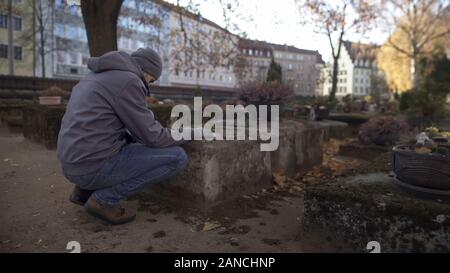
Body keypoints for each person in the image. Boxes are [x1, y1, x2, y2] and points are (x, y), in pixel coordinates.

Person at [57, 48, 188, 225]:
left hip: (71, 164)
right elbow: (154, 137)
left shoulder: (93, 76)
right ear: (146, 70)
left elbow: (107, 126)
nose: (150, 85)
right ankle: (104, 200)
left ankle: (84, 192)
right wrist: (191, 132)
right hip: (90, 167)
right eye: (152, 80)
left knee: (127, 142)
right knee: (177, 157)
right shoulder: (130, 81)